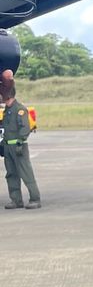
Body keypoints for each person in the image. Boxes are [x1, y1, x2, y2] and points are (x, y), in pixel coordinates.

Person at [3, 81, 40, 210]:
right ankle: (16, 200)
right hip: (8, 147)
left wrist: (20, 141)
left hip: (19, 147)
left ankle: (35, 199)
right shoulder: (7, 110)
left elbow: (25, 128)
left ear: (7, 94)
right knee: (11, 174)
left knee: (26, 173)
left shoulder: (19, 109)